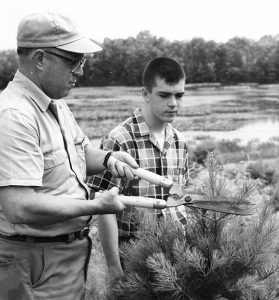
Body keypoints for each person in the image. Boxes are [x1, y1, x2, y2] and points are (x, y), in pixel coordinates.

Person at [0, 12, 140, 300]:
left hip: (63, 258)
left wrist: (108, 159)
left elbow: (77, 154)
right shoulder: (14, 115)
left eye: (82, 62)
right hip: (34, 263)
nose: (81, 71)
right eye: (74, 61)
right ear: (40, 59)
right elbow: (18, 205)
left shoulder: (55, 102)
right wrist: (94, 206)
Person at [88, 57, 189, 278]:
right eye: (164, 95)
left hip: (176, 255)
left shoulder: (180, 141)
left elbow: (181, 199)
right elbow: (103, 207)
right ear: (145, 93)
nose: (173, 103)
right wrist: (115, 270)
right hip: (133, 254)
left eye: (179, 95)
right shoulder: (119, 140)